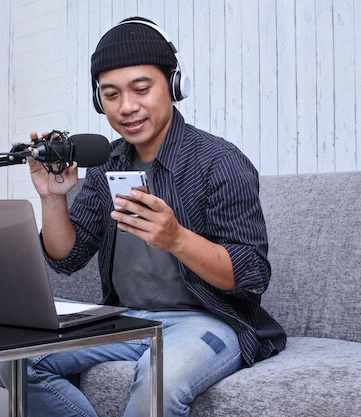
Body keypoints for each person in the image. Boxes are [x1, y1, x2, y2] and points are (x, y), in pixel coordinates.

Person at [21, 17, 286, 417]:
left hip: (209, 322)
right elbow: (67, 258)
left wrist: (176, 238)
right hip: (128, 320)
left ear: (174, 86)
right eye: (111, 95)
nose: (126, 107)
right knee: (21, 360)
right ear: (99, 101)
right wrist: (54, 198)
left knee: (158, 379)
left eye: (141, 89)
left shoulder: (220, 162)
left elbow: (251, 276)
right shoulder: (106, 163)